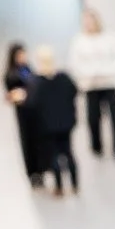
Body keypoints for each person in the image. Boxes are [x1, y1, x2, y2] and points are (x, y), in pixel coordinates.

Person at [68, 8, 115, 159]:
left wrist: (108, 70)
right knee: (93, 118)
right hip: (91, 84)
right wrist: (90, 72)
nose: (88, 24)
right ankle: (96, 145)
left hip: (109, 82)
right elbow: (75, 63)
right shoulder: (79, 41)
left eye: (91, 20)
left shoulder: (110, 37)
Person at [27, 46, 80, 195]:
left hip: (48, 126)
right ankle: (75, 184)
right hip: (66, 123)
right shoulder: (64, 78)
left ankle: (59, 187)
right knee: (68, 153)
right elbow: (74, 91)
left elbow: (31, 102)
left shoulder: (37, 83)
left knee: (55, 156)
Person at [4, 41, 44, 186]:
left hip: (35, 111)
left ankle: (41, 170)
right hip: (23, 112)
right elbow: (9, 95)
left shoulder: (28, 69)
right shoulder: (11, 74)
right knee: (27, 142)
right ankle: (32, 173)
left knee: (38, 141)